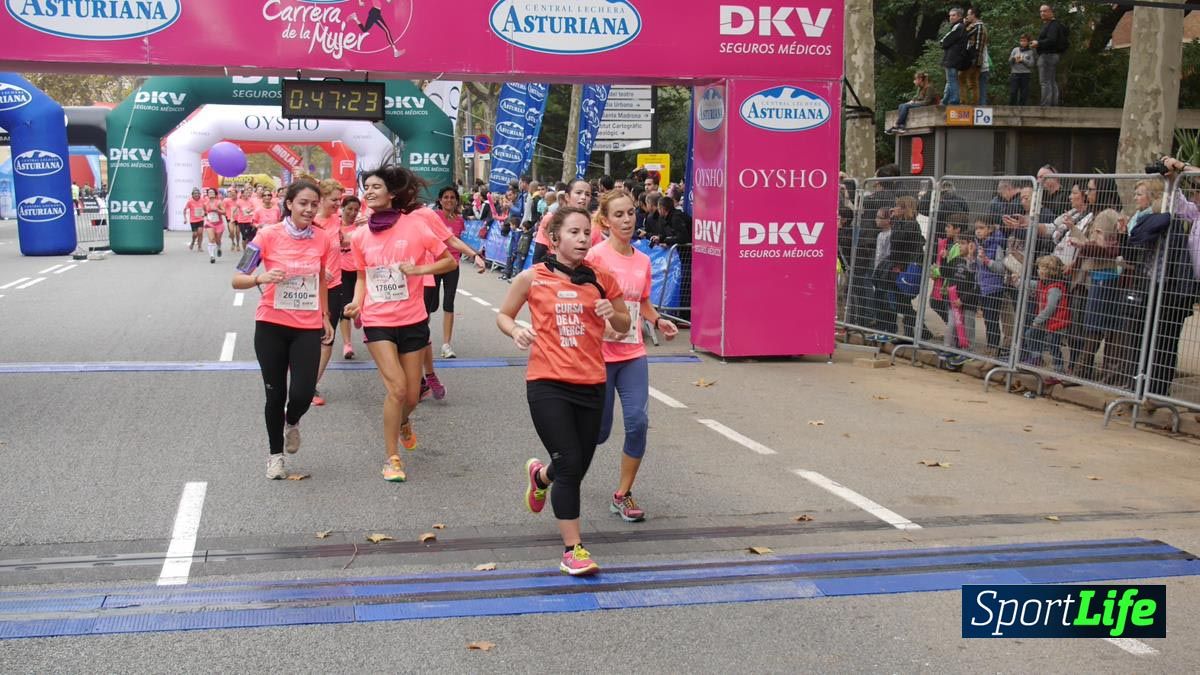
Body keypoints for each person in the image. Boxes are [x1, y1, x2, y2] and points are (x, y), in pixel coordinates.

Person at [497, 206, 631, 576]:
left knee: (578, 464)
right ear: (554, 239)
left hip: (592, 383)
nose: (583, 238)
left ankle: (540, 477)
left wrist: (611, 313)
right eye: (574, 232)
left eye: (587, 231)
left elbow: (624, 322)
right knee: (571, 463)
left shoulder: (602, 277)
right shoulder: (532, 278)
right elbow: (503, 315)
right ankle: (573, 549)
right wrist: (516, 330)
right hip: (547, 382)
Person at [343, 167, 456, 482]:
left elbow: (448, 260)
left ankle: (404, 421)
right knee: (396, 389)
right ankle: (392, 458)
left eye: (376, 186)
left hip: (413, 319)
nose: (369, 191)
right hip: (378, 320)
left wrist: (419, 270)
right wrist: (356, 303)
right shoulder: (360, 236)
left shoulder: (415, 226)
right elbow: (363, 277)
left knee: (412, 395)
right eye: (366, 186)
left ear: (391, 193)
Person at [586, 190, 679, 522]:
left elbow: (642, 302)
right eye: (619, 215)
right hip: (597, 355)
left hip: (631, 353)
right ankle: (550, 472)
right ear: (606, 220)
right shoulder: (594, 257)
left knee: (638, 422)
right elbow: (581, 297)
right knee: (598, 432)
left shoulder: (641, 261)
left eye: (630, 214)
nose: (627, 220)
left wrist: (657, 319)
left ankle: (622, 494)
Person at [230, 179, 332, 480]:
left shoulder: (323, 239)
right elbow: (238, 278)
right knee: (274, 395)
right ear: (289, 204)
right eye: (303, 203)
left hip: (307, 326)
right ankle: (275, 456)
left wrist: (325, 316)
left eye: (314, 204)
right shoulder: (266, 235)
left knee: (301, 393)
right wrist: (260, 279)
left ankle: (293, 420)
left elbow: (322, 280)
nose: (309, 209)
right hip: (271, 324)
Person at [418, 187, 486, 394]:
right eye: (445, 197)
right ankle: (422, 335)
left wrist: (474, 254)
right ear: (439, 200)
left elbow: (456, 240)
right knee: (429, 307)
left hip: (452, 265)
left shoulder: (459, 219)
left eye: (452, 198)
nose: (449, 200)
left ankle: (446, 344)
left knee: (449, 303)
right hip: (433, 265)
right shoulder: (433, 216)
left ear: (456, 201)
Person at [310, 179, 347, 407]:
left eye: (339, 200)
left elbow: (344, 241)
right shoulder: (309, 221)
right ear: (321, 199)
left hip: (335, 288)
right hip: (309, 288)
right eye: (334, 200)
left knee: (327, 338)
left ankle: (311, 384)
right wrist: (319, 270)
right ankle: (300, 379)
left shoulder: (337, 220)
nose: (337, 204)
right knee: (307, 338)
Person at [1021, 255, 1070, 370]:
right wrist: (1018, 281)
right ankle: (1036, 358)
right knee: (1031, 334)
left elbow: (1050, 308)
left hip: (1057, 324)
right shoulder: (1043, 284)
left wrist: (1038, 320)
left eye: (1041, 268)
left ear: (1049, 272)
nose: (1038, 271)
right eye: (1039, 268)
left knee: (1053, 345)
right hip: (1047, 323)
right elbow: (1030, 284)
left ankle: (1059, 369)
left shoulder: (1054, 289)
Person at [533, 179, 593, 263]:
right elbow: (539, 252)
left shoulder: (594, 223)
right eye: (578, 193)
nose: (583, 197)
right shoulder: (550, 218)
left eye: (587, 194)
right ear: (567, 197)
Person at [1032, 4, 1068, 106]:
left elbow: (1052, 40)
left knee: (1045, 82)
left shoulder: (1053, 25)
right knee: (1051, 81)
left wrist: (1038, 43)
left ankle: (1045, 106)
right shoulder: (1054, 24)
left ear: (1051, 12)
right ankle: (1053, 105)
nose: (1042, 13)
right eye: (1040, 11)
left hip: (1048, 55)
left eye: (1044, 11)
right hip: (1053, 55)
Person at [939, 7, 968, 105]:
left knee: (952, 80)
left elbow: (945, 41)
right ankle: (945, 100)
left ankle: (954, 100)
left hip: (953, 58)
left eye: (953, 15)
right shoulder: (958, 26)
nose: (951, 17)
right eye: (950, 15)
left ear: (959, 16)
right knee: (949, 81)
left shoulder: (958, 27)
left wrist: (942, 43)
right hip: (953, 57)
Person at [959, 8, 988, 105]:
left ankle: (965, 101)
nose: (967, 17)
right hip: (976, 58)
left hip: (974, 58)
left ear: (973, 15)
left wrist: (974, 59)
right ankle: (974, 103)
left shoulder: (978, 27)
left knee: (962, 78)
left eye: (968, 14)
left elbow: (978, 45)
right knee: (972, 80)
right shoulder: (976, 26)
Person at [1009, 34, 1036, 105]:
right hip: (1015, 73)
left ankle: (1022, 108)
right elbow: (1009, 61)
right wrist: (1014, 59)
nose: (1022, 42)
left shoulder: (1030, 51)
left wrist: (1023, 60)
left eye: (1024, 41)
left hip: (1025, 74)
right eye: (1021, 41)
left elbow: (1031, 64)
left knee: (1024, 93)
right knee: (1013, 92)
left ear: (1028, 42)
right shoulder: (1015, 49)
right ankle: (1012, 107)